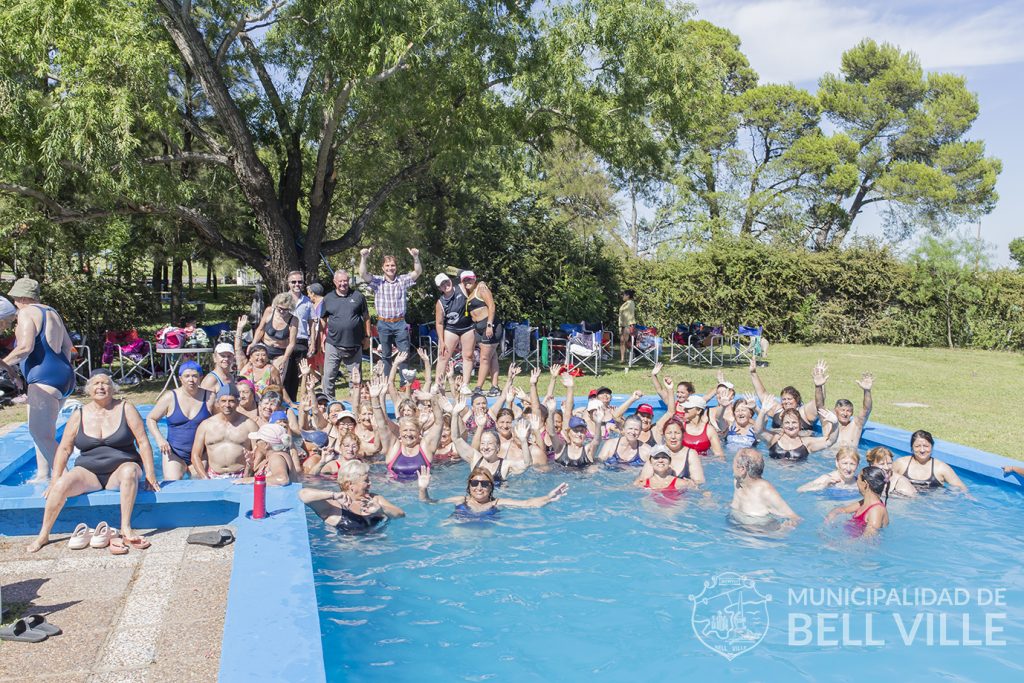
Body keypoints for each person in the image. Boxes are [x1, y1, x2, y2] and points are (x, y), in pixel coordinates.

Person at [27, 370, 158, 553]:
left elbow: (143, 442)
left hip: (120, 470)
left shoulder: (125, 408)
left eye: (105, 383)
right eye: (96, 384)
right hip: (89, 473)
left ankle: (126, 528)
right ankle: (43, 535)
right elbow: (64, 449)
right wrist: (55, 478)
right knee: (61, 484)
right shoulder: (79, 414)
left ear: (112, 389)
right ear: (89, 390)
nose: (101, 387)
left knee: (129, 471)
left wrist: (151, 474)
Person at [0, 278, 75, 483]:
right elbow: (68, 347)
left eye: (15, 299)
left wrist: (3, 365)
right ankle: (43, 475)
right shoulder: (52, 312)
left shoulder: (26, 313)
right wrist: (59, 371)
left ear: (23, 298)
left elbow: (25, 347)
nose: (15, 304)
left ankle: (67, 481)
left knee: (41, 434)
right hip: (64, 377)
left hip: (44, 378)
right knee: (43, 433)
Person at [358, 247, 422, 379]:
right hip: (383, 323)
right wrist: (364, 258)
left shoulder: (402, 280)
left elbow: (417, 272)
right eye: (387, 265)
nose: (390, 268)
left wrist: (415, 257)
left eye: (392, 265)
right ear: (382, 268)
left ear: (396, 267)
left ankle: (405, 383)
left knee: (404, 354)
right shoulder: (377, 281)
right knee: (385, 355)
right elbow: (363, 274)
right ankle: (387, 382)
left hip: (400, 323)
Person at [145, 361, 214, 480]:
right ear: (180, 378)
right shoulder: (170, 397)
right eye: (187, 376)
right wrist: (160, 439)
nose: (191, 380)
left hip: (201, 453)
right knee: (172, 483)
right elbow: (151, 418)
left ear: (201, 377)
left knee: (201, 484)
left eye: (195, 376)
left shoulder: (210, 397)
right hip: (174, 452)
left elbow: (222, 420)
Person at [300, 459, 405, 533]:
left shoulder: (375, 499)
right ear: (350, 484)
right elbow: (303, 495)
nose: (370, 483)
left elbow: (401, 514)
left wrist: (382, 510)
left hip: (378, 549)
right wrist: (333, 495)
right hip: (351, 552)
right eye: (366, 480)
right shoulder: (333, 507)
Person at [418, 467, 569, 516]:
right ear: (469, 485)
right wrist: (423, 488)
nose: (479, 487)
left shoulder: (497, 503)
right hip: (459, 538)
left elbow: (527, 503)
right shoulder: (460, 500)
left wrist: (548, 497)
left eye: (484, 484)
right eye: (474, 483)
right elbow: (428, 502)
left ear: (491, 487)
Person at [189, 384, 260, 479]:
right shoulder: (206, 425)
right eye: (223, 401)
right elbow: (195, 455)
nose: (227, 405)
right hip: (213, 476)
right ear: (217, 403)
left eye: (231, 401)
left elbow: (260, 453)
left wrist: (248, 474)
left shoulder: (249, 425)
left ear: (238, 403)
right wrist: (205, 478)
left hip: (242, 475)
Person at [320, 269, 370, 398]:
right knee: (328, 377)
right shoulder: (328, 298)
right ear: (335, 282)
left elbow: (366, 317)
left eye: (345, 281)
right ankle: (329, 405)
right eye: (340, 281)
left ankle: (355, 405)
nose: (343, 284)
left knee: (355, 379)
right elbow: (323, 320)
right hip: (333, 343)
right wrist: (321, 339)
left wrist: (367, 337)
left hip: (354, 344)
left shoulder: (358, 296)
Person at [748, 357, 827, 432]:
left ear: (797, 400)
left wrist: (819, 385)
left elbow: (819, 402)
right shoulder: (777, 410)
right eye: (784, 399)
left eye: (789, 399)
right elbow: (762, 393)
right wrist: (753, 373)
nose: (786, 402)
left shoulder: (804, 412)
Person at [730, 448, 800, 526]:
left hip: (758, 535)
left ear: (742, 469)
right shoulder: (738, 482)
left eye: (734, 464)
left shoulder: (765, 492)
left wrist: (780, 533)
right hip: (735, 528)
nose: (732, 467)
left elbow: (794, 518)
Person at [756, 397, 840, 461]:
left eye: (794, 422)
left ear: (800, 424)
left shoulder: (806, 443)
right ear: (782, 425)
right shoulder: (774, 439)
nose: (791, 426)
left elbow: (830, 441)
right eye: (787, 423)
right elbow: (758, 431)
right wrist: (762, 411)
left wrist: (835, 424)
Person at [434, 272, 477, 390]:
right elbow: (439, 323)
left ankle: (465, 384)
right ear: (439, 288)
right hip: (451, 329)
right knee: (444, 356)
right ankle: (438, 384)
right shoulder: (441, 302)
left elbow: (470, 277)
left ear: (451, 281)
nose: (445, 285)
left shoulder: (461, 288)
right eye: (442, 284)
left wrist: (481, 284)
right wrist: (441, 341)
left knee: (468, 356)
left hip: (467, 327)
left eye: (446, 282)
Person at [462, 271, 502, 395]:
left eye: (470, 279)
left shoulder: (481, 288)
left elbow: (491, 306)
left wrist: (489, 325)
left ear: (475, 279)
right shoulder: (469, 293)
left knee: (484, 358)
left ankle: (478, 387)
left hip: (488, 325)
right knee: (492, 356)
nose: (467, 282)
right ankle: (495, 386)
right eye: (465, 280)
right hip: (478, 327)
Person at [246, 292, 298, 382]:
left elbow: (292, 343)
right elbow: (261, 329)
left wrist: (285, 359)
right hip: (265, 348)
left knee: (276, 379)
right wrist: (253, 343)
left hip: (280, 353)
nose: (282, 311)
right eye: (279, 308)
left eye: (285, 309)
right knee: (257, 377)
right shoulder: (269, 311)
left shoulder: (293, 320)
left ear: (290, 308)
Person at [892, 430, 968, 492]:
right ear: (912, 448)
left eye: (926, 446)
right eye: (917, 446)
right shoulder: (901, 463)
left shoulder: (941, 468)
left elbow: (962, 488)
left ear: (932, 447)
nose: (922, 450)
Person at [825, 466, 890, 537]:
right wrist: (829, 520)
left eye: (858, 480)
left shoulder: (876, 510)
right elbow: (842, 510)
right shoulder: (865, 503)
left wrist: (835, 545)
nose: (856, 483)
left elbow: (868, 541)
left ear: (865, 484)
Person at [280, 271, 313, 401]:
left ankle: (295, 403)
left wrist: (312, 343)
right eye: (293, 282)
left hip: (302, 341)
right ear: (288, 283)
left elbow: (311, 324)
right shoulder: (282, 300)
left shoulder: (307, 302)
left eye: (299, 281)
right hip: (285, 341)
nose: (297, 284)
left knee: (298, 376)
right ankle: (283, 403)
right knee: (284, 375)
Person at [232, 424, 299, 487]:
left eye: (257, 440)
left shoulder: (276, 458)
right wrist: (250, 465)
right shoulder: (267, 459)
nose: (256, 444)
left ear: (266, 445)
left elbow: (283, 479)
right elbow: (245, 482)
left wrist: (250, 480)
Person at [822, 373, 874, 447]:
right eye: (842, 410)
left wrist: (867, 391)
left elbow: (867, 409)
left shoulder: (855, 426)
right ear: (835, 410)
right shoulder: (827, 424)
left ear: (852, 413)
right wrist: (819, 386)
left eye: (848, 411)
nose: (845, 414)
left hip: (848, 457)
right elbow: (819, 404)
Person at [618, 290, 636, 364]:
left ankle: (631, 356)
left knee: (625, 342)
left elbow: (625, 311)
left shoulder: (630, 303)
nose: (623, 296)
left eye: (624, 295)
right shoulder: (626, 303)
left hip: (629, 324)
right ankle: (623, 359)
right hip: (623, 325)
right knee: (622, 342)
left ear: (628, 296)